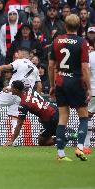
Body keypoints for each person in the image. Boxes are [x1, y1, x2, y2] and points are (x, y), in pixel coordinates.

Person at [48, 14, 91, 161]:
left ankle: (60, 154)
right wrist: (89, 88)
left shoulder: (57, 41)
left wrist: (52, 84)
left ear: (65, 26)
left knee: (63, 118)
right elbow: (85, 68)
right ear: (79, 27)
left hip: (60, 82)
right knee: (84, 117)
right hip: (76, 83)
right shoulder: (82, 42)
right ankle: (79, 147)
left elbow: (50, 65)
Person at [4, 80, 76, 146]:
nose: (11, 89)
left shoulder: (24, 104)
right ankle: (64, 132)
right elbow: (25, 86)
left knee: (42, 142)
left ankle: (66, 135)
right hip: (55, 110)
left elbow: (19, 124)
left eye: (12, 88)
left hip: (51, 118)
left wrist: (12, 140)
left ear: (16, 90)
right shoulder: (29, 89)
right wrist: (9, 89)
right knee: (42, 139)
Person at [84, 43, 95, 154]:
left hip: (93, 90)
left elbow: (86, 71)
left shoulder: (91, 56)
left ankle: (86, 146)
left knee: (87, 116)